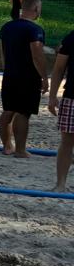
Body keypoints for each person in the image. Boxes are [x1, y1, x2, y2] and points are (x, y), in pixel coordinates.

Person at [0, 0, 48, 158]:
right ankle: (20, 150)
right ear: (36, 9)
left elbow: (3, 53)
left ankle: (7, 146)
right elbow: (37, 55)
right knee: (23, 112)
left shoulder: (6, 27)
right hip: (28, 77)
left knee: (8, 111)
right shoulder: (35, 30)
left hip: (10, 74)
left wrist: (7, 70)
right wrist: (44, 77)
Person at [46, 21, 74, 189]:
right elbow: (58, 69)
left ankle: (60, 184)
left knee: (67, 143)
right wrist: (52, 96)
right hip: (72, 97)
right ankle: (61, 184)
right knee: (67, 142)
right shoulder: (71, 38)